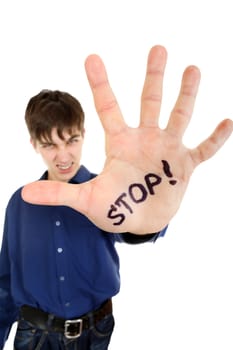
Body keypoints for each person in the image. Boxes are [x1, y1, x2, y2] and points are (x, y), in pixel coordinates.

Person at [0, 45, 232, 350]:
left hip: (96, 332)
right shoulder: (21, 203)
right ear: (34, 144)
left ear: (84, 133)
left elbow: (131, 224)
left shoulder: (106, 191)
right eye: (50, 145)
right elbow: (6, 280)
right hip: (36, 335)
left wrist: (149, 213)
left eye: (71, 140)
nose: (63, 155)